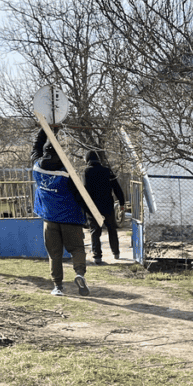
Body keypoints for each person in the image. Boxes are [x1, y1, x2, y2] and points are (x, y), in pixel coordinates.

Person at [31, 127, 89, 296]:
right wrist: (89, 216)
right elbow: (81, 197)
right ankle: (79, 274)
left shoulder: (37, 167)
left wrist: (46, 129)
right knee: (77, 249)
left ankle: (57, 286)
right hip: (70, 219)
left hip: (49, 220)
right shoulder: (67, 174)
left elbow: (36, 147)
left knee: (54, 254)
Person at [82, 150, 126, 264]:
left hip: (93, 207)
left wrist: (84, 209)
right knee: (112, 229)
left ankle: (97, 257)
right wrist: (121, 202)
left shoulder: (87, 172)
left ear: (87, 160)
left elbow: (85, 191)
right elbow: (116, 187)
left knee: (95, 231)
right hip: (107, 205)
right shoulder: (107, 171)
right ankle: (116, 253)